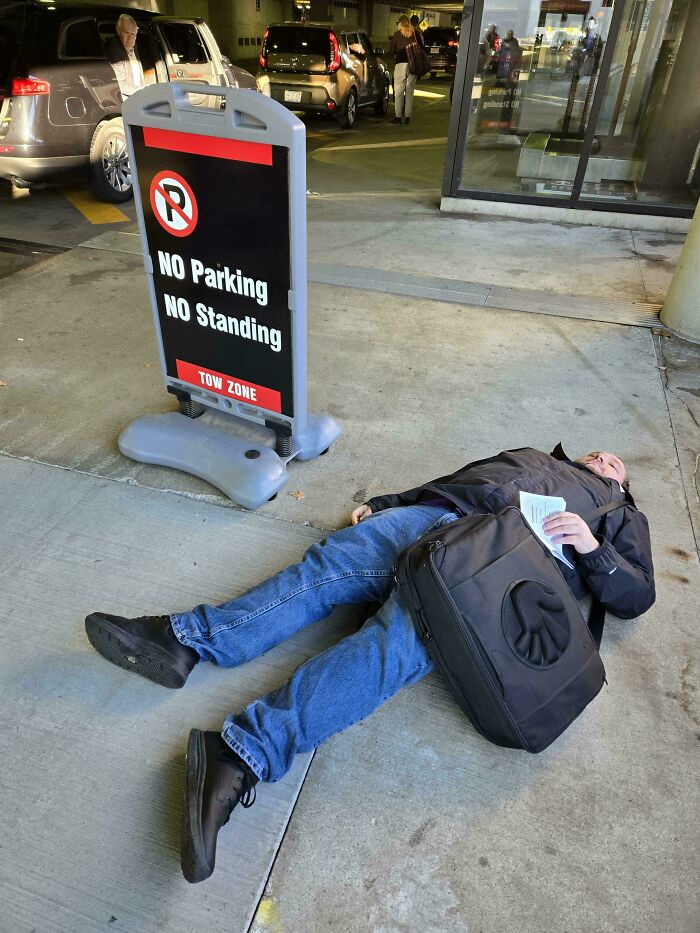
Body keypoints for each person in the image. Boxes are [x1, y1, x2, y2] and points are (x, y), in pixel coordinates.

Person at [84, 444, 655, 883]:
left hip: (490, 573)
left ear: (622, 484)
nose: (602, 459)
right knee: (324, 569)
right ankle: (184, 640)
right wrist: (386, 504)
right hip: (433, 521)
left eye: (614, 464)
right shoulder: (529, 456)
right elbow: (452, 480)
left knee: (393, 652)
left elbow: (637, 595)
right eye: (596, 453)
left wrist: (593, 548)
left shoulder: (621, 517)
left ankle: (241, 755)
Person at [106, 14, 146, 99]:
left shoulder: (133, 46)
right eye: (126, 33)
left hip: (138, 96)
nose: (130, 38)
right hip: (126, 100)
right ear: (118, 32)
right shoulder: (115, 50)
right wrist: (143, 91)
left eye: (133, 34)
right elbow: (119, 84)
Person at [389, 15, 419, 125]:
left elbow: (391, 51)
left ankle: (398, 117)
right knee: (410, 92)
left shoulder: (397, 34)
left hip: (400, 64)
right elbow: (421, 47)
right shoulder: (415, 33)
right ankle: (407, 117)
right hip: (412, 65)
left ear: (400, 23)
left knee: (399, 91)